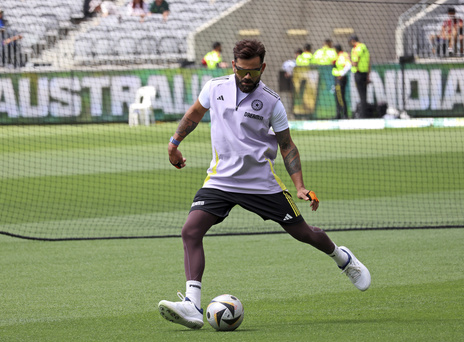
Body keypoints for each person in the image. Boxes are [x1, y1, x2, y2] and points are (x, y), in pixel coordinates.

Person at [158, 39, 371, 330]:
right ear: (233, 66)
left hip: (261, 184)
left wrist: (299, 186)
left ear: (263, 67)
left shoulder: (272, 102)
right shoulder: (214, 88)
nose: (248, 77)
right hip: (220, 180)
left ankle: (343, 258)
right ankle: (193, 305)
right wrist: (173, 144)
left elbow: (287, 146)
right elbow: (195, 113)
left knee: (304, 233)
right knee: (190, 230)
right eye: (243, 70)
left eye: (254, 71)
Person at [349, 35, 370, 118]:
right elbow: (369, 61)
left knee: (361, 95)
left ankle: (363, 115)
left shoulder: (356, 48)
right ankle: (365, 114)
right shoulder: (364, 47)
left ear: (353, 40)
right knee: (364, 95)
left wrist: (348, 58)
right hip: (365, 73)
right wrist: (368, 75)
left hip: (358, 74)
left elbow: (355, 63)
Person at [332, 44, 352, 119]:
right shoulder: (338, 56)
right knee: (337, 97)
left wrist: (342, 74)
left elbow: (348, 65)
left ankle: (344, 114)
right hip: (337, 79)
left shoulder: (343, 55)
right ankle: (338, 114)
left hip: (340, 79)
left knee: (340, 97)